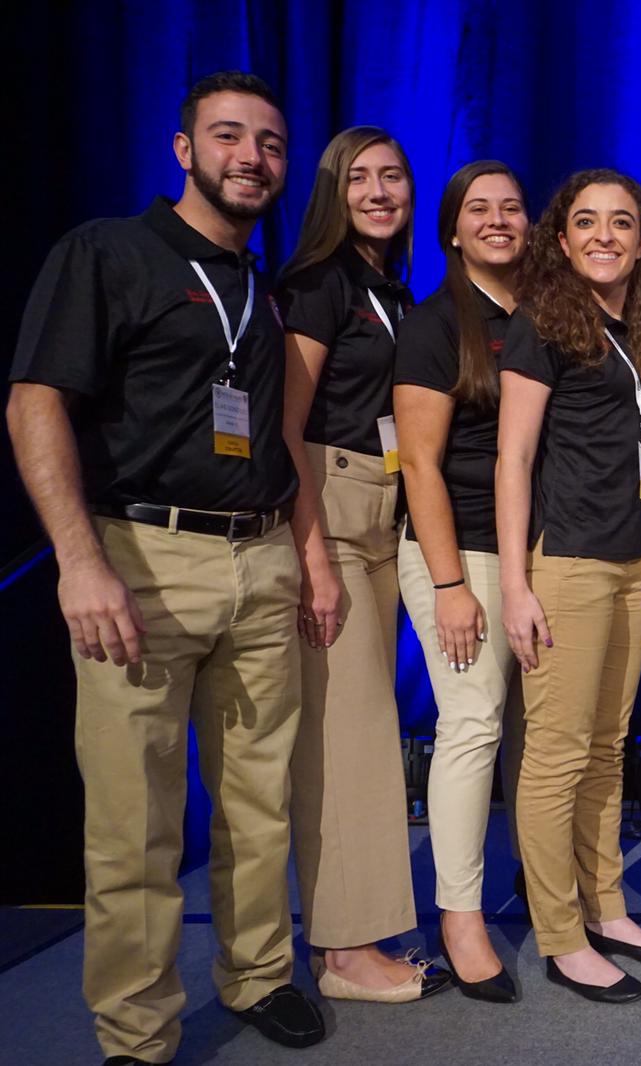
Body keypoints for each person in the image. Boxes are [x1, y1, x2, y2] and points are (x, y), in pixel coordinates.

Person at [6, 71, 326, 1062]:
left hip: (260, 562)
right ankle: (138, 1032)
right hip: (139, 561)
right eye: (229, 137)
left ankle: (259, 970)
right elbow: (35, 403)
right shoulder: (107, 252)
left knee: (257, 799)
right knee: (135, 822)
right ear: (183, 150)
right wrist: (79, 563)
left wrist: (305, 557)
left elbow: (278, 435)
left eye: (270, 144)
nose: (251, 159)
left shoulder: (262, 292)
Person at [497, 168, 641, 1004]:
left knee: (608, 747)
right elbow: (513, 458)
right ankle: (560, 935)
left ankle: (605, 906)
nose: (604, 236)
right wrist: (515, 584)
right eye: (586, 222)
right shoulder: (543, 323)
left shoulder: (640, 325)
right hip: (564, 563)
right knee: (556, 758)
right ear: (561, 239)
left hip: (627, 564)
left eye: (621, 223)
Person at [274, 126, 446, 1003]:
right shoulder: (318, 284)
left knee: (370, 731)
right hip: (332, 515)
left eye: (394, 177)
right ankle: (342, 953)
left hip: (383, 516)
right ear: (334, 190)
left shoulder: (393, 289)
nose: (380, 191)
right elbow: (288, 426)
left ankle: (367, 933)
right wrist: (314, 557)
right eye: (361, 178)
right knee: (349, 737)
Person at [393, 160, 530, 1003]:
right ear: (452, 230)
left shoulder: (548, 319)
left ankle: (542, 889)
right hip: (461, 555)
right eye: (478, 208)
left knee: (535, 732)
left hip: (533, 553)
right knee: (474, 721)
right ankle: (460, 916)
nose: (497, 219)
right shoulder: (437, 322)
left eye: (511, 207)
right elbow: (419, 461)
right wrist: (449, 583)